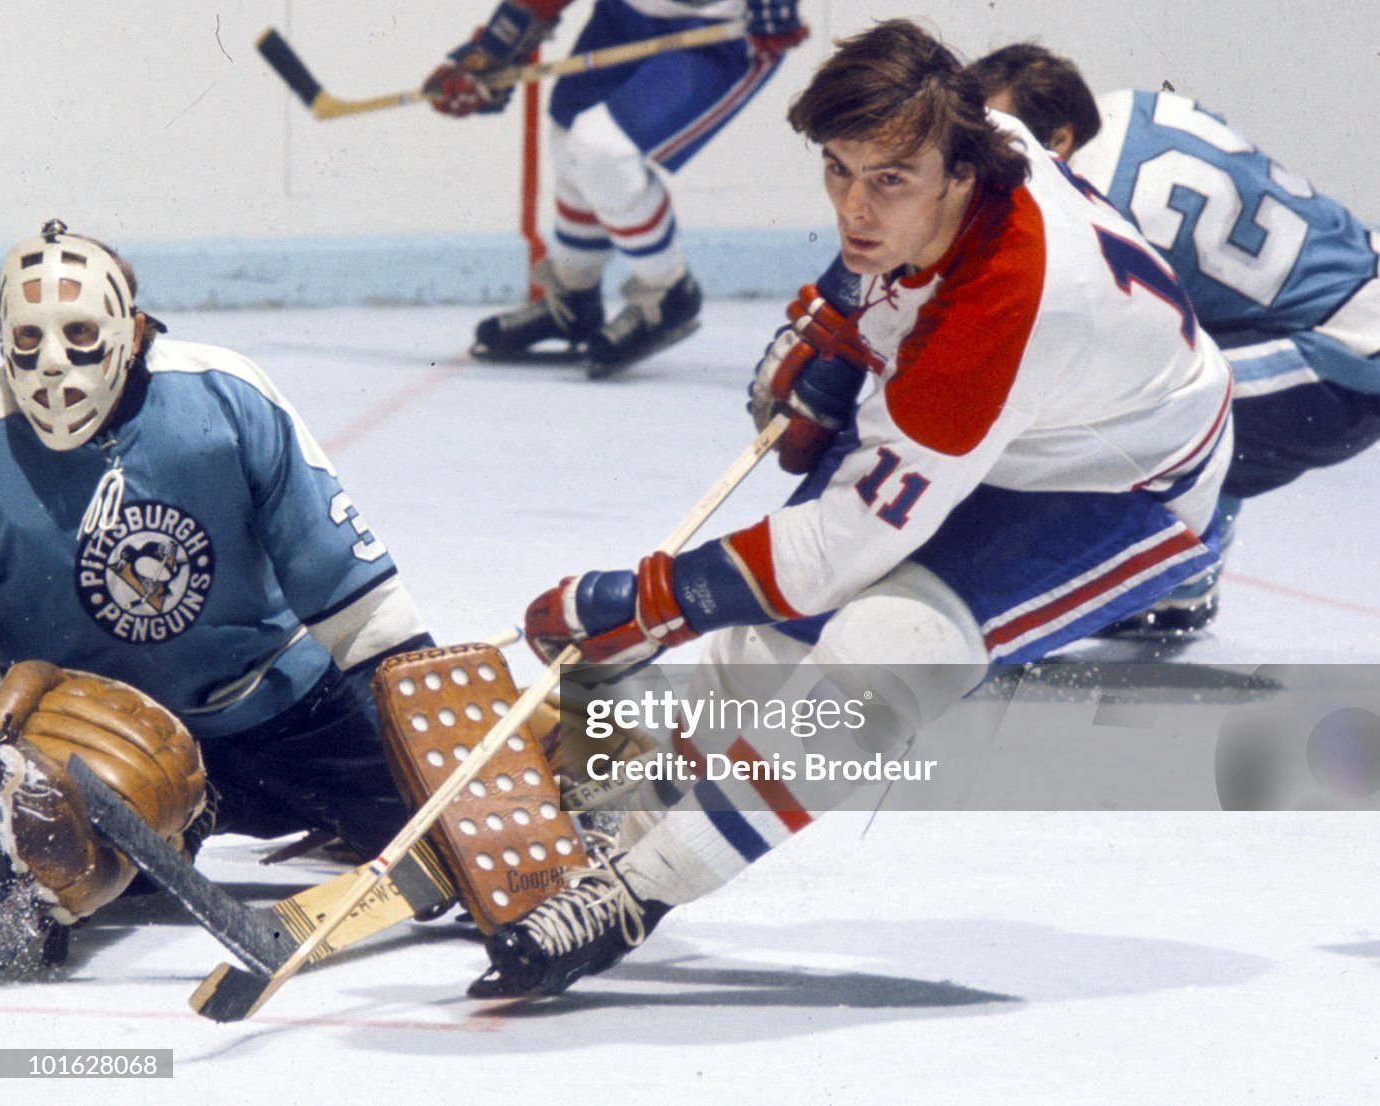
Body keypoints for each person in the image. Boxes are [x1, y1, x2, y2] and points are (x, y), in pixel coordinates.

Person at [466, 20, 1234, 998]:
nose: (854, 207)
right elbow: (881, 244)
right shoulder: (970, 132)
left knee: (883, 650)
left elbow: (835, 550)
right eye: (837, 170)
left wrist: (652, 602)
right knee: (768, 634)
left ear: (960, 170)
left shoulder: (1004, 311)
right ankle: (625, 812)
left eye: (889, 180)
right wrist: (834, 322)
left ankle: (636, 890)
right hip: (1032, 417)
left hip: (1125, 477)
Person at [0, 221, 434, 965]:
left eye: (80, 332)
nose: (54, 362)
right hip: (93, 747)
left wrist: (444, 740)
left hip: (289, 714)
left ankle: (592, 757)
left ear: (134, 330)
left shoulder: (223, 396)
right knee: (31, 886)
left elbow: (362, 609)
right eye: (28, 339)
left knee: (484, 816)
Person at [970, 43, 1380, 635]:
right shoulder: (1125, 108)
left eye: (996, 143)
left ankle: (1167, 574)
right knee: (1183, 383)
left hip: (1346, 357)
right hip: (1348, 309)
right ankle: (1181, 579)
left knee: (1150, 412)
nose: (976, 166)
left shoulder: (1088, 212)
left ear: (1058, 139)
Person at [423, 0, 807, 377]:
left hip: (719, 31)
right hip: (624, 16)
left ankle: (668, 292)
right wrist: (490, 52)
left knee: (604, 149)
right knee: (568, 135)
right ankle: (574, 298)